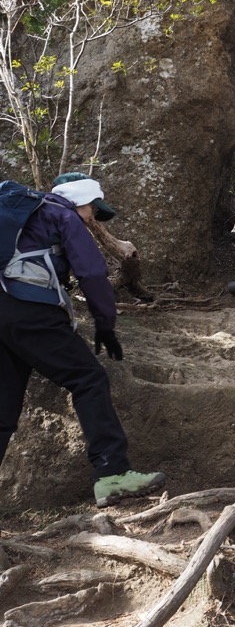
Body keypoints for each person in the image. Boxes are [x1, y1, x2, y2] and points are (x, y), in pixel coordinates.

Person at [0, 171, 165, 507]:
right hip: (32, 312)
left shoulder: (25, 215)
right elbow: (91, 273)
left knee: (2, 413)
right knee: (88, 379)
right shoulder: (61, 213)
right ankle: (113, 474)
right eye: (92, 208)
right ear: (80, 201)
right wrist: (106, 325)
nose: (93, 217)